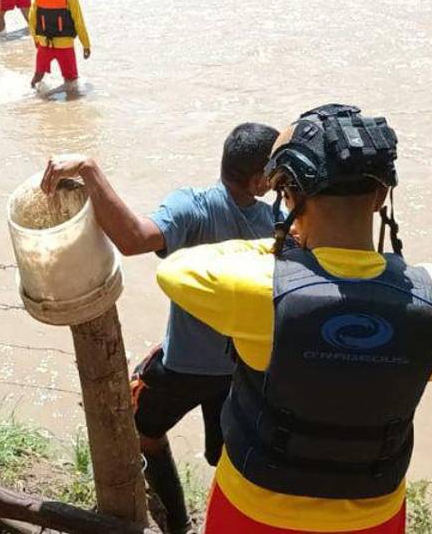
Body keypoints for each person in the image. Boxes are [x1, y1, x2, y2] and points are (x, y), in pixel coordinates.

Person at [156, 104, 432, 534]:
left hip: (254, 510)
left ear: (289, 195)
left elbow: (173, 270)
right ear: (381, 195)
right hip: (375, 515)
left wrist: (278, 244)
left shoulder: (257, 289)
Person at [40, 122, 280, 534]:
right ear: (260, 180)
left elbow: (132, 239)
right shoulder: (277, 224)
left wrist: (91, 170)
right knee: (232, 459)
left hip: (184, 365)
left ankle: (178, 523)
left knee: (144, 432)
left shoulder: (193, 206)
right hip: (245, 370)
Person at [28, 0, 90, 90]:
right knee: (71, 82)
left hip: (44, 45)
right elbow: (79, 23)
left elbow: (32, 19)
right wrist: (86, 45)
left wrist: (36, 40)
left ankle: (31, 98)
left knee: (38, 76)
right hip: (65, 47)